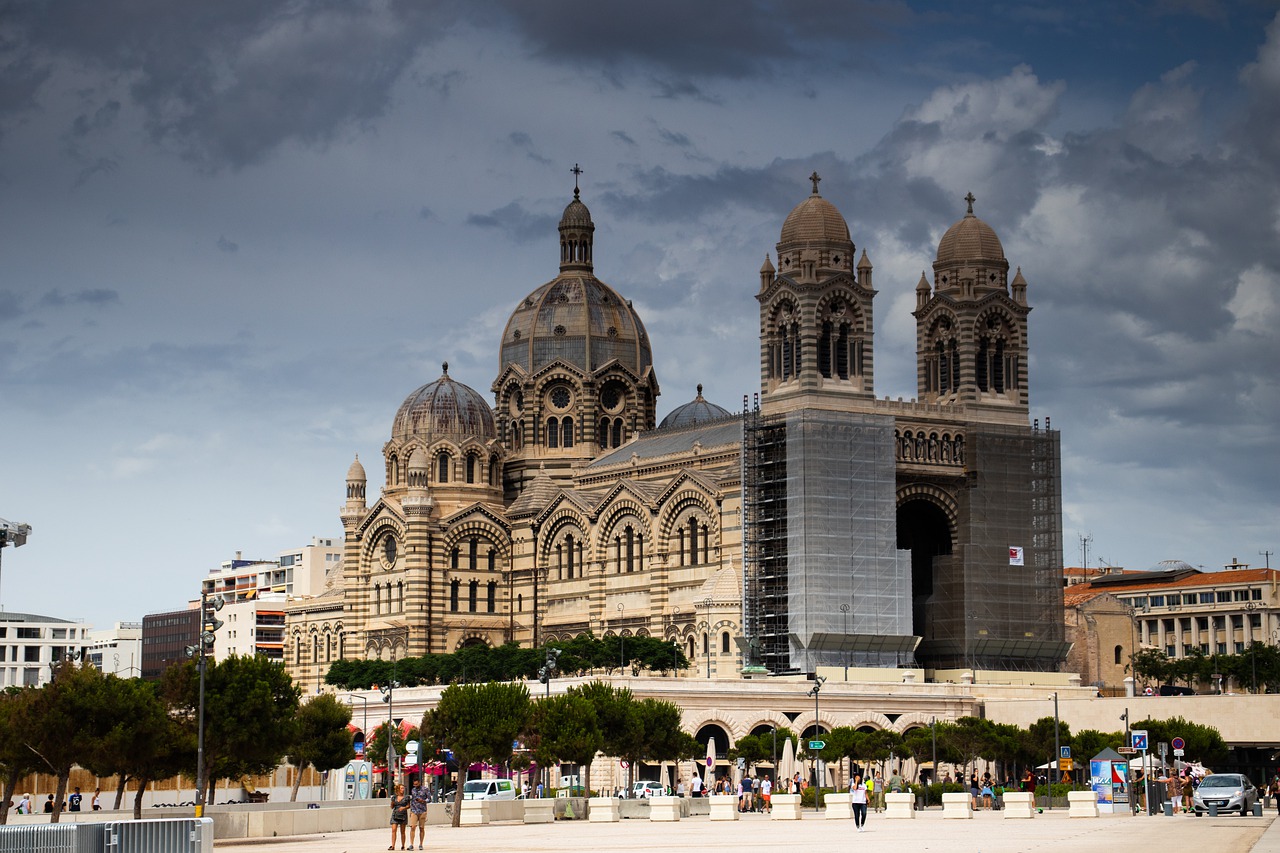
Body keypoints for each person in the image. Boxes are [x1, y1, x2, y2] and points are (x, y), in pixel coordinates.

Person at [408, 778, 429, 851]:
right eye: (414, 784)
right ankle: (411, 844)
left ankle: (421, 844)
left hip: (422, 810)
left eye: (416, 784)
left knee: (421, 828)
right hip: (414, 810)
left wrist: (423, 801)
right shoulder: (413, 790)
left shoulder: (425, 789)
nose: (415, 785)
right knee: (413, 826)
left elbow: (429, 799)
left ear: (420, 783)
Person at [388, 783, 409, 850]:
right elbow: (392, 807)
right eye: (401, 788)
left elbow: (409, 805)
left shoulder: (406, 797)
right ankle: (393, 845)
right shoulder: (394, 797)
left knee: (402, 831)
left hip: (403, 814)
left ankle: (403, 845)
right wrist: (392, 803)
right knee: (394, 830)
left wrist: (404, 808)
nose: (403, 790)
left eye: (403, 788)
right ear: (398, 789)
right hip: (395, 814)